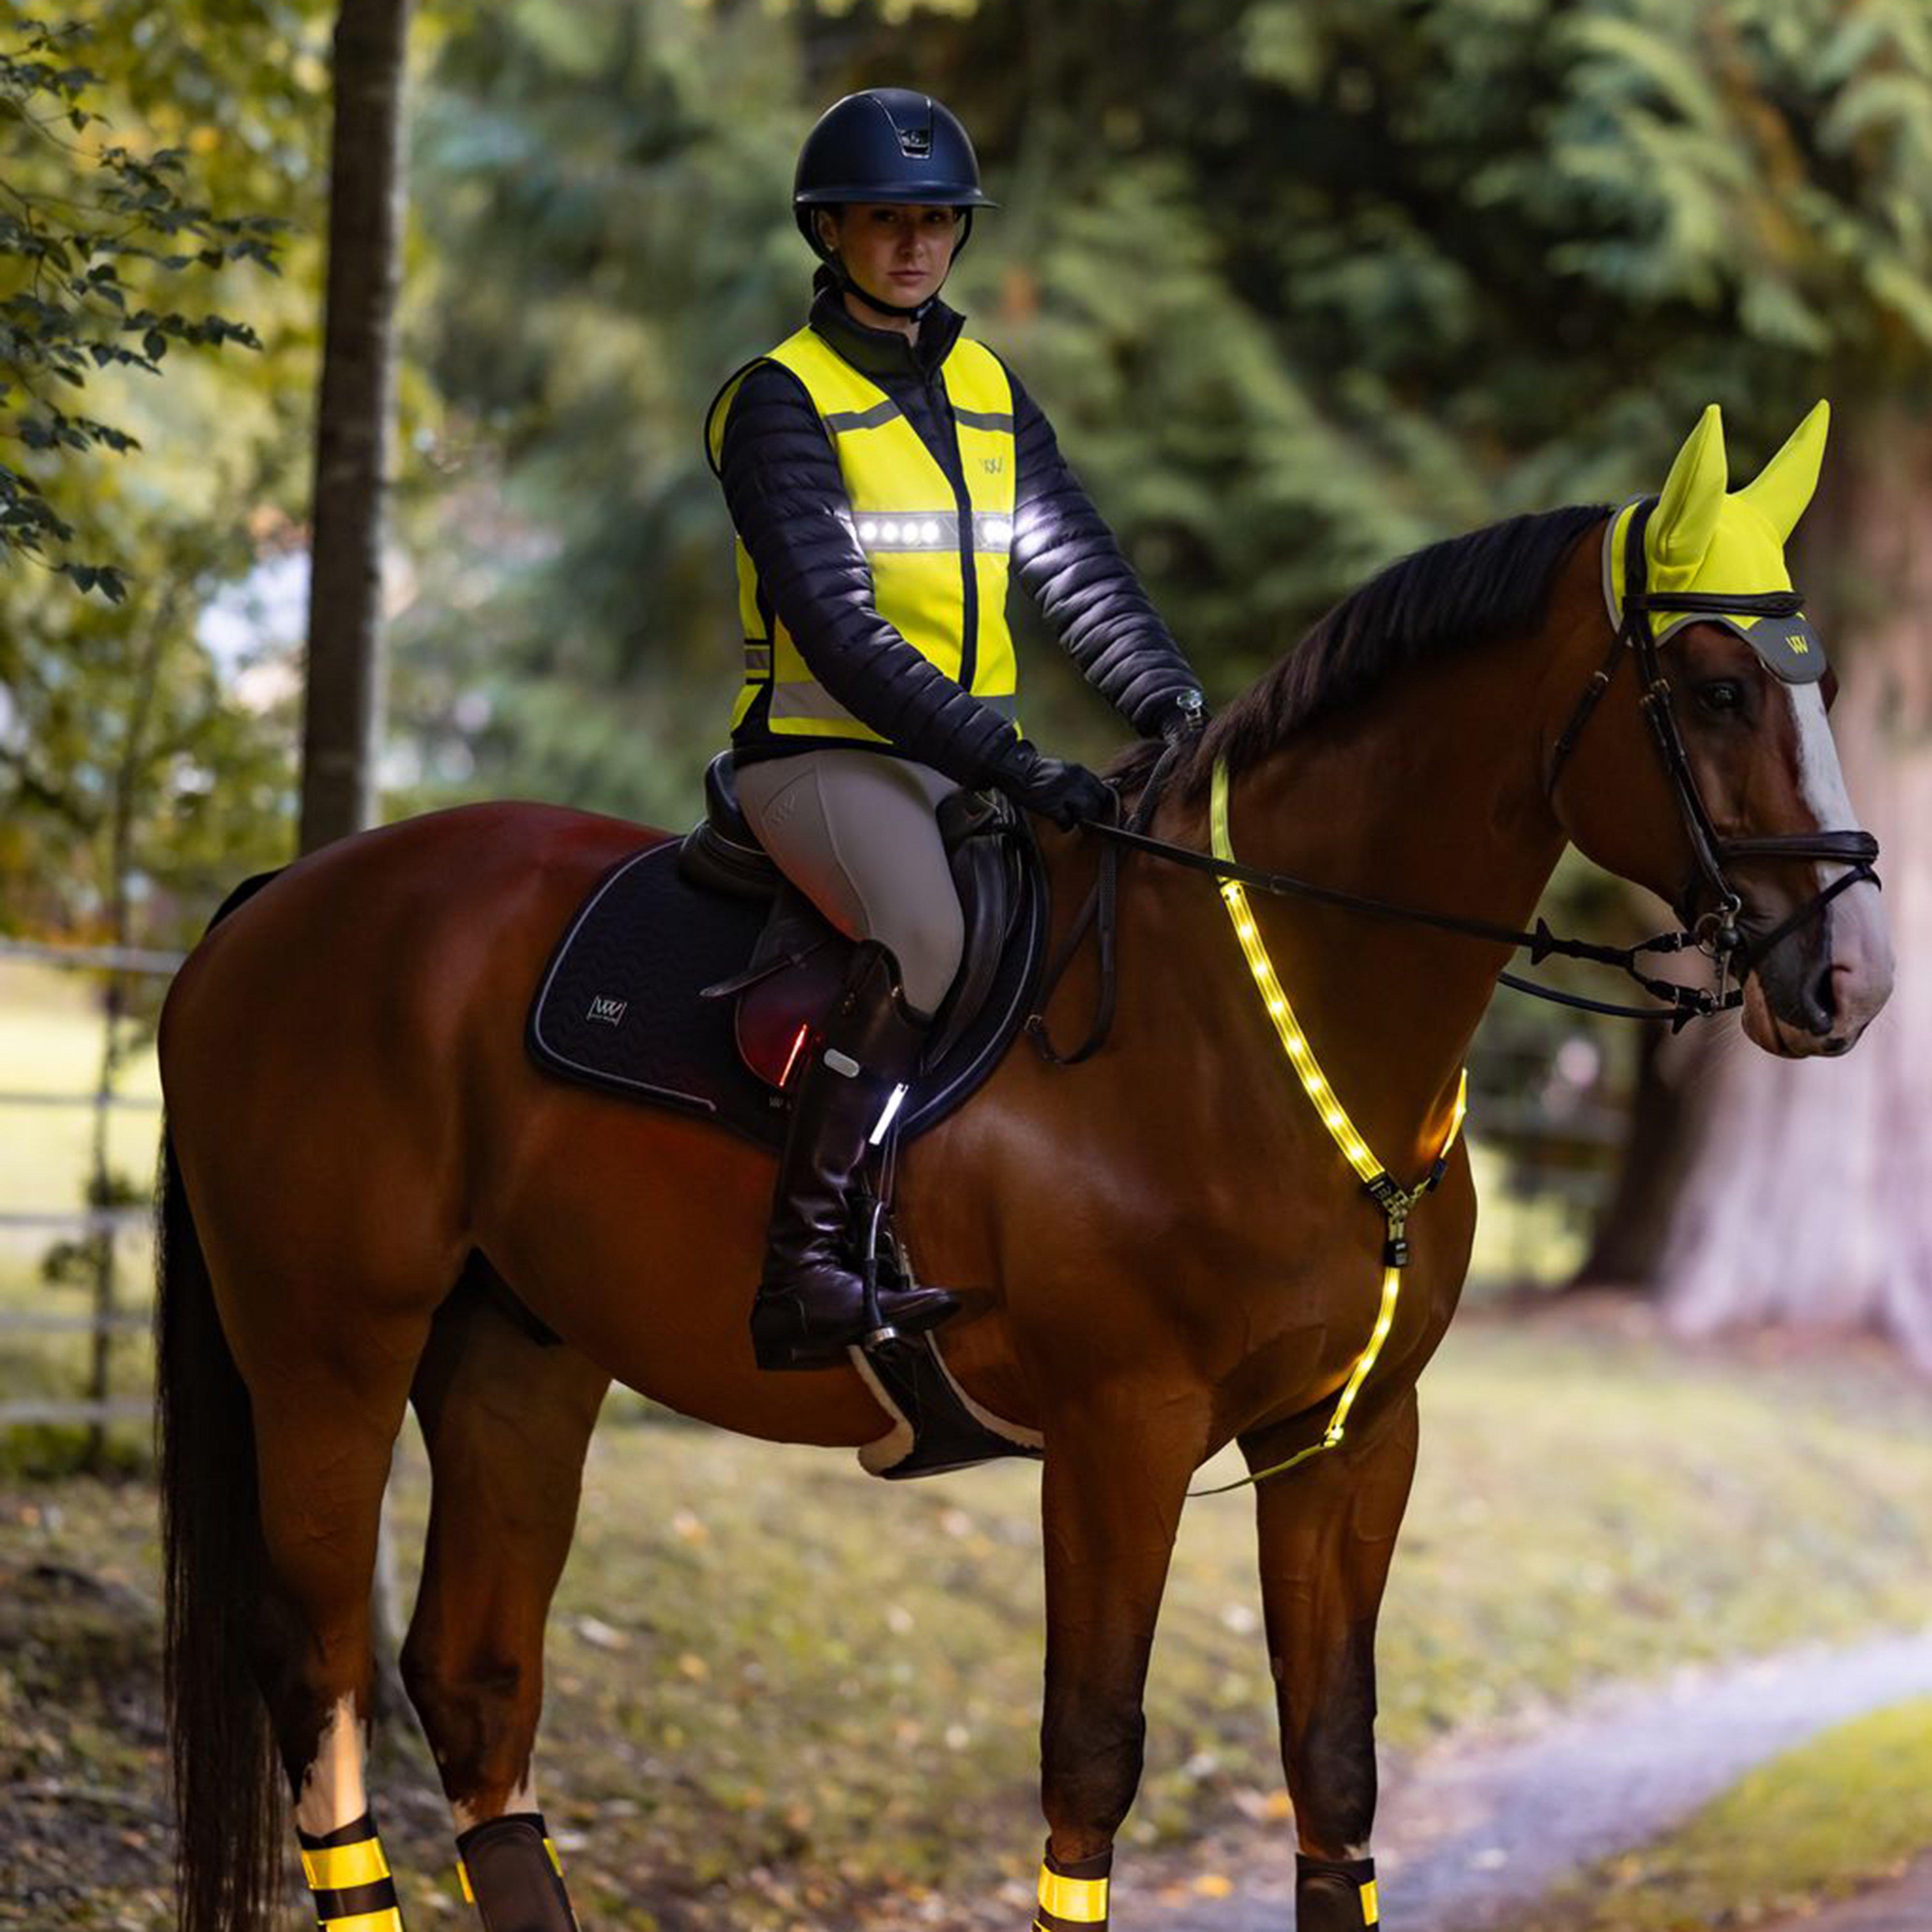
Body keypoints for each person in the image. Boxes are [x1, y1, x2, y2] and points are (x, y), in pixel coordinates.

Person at [705, 85, 1206, 1372]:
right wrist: (1019, 765)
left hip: (962, 762)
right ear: (829, 231)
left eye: (936, 220)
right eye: (885, 221)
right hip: (821, 756)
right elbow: (841, 635)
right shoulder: (779, 401)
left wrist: (1170, 703)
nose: (915, 245)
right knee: (922, 933)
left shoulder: (988, 389)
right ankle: (802, 1265)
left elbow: (1077, 570)